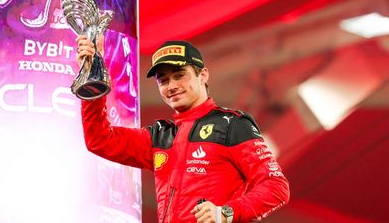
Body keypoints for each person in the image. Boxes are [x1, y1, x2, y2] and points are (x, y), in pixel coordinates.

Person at [76, 35, 290, 223]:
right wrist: (93, 77)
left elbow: (276, 187)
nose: (171, 86)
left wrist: (225, 213)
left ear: (203, 75)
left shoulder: (232, 124)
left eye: (179, 75)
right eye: (164, 80)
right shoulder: (159, 136)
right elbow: (100, 139)